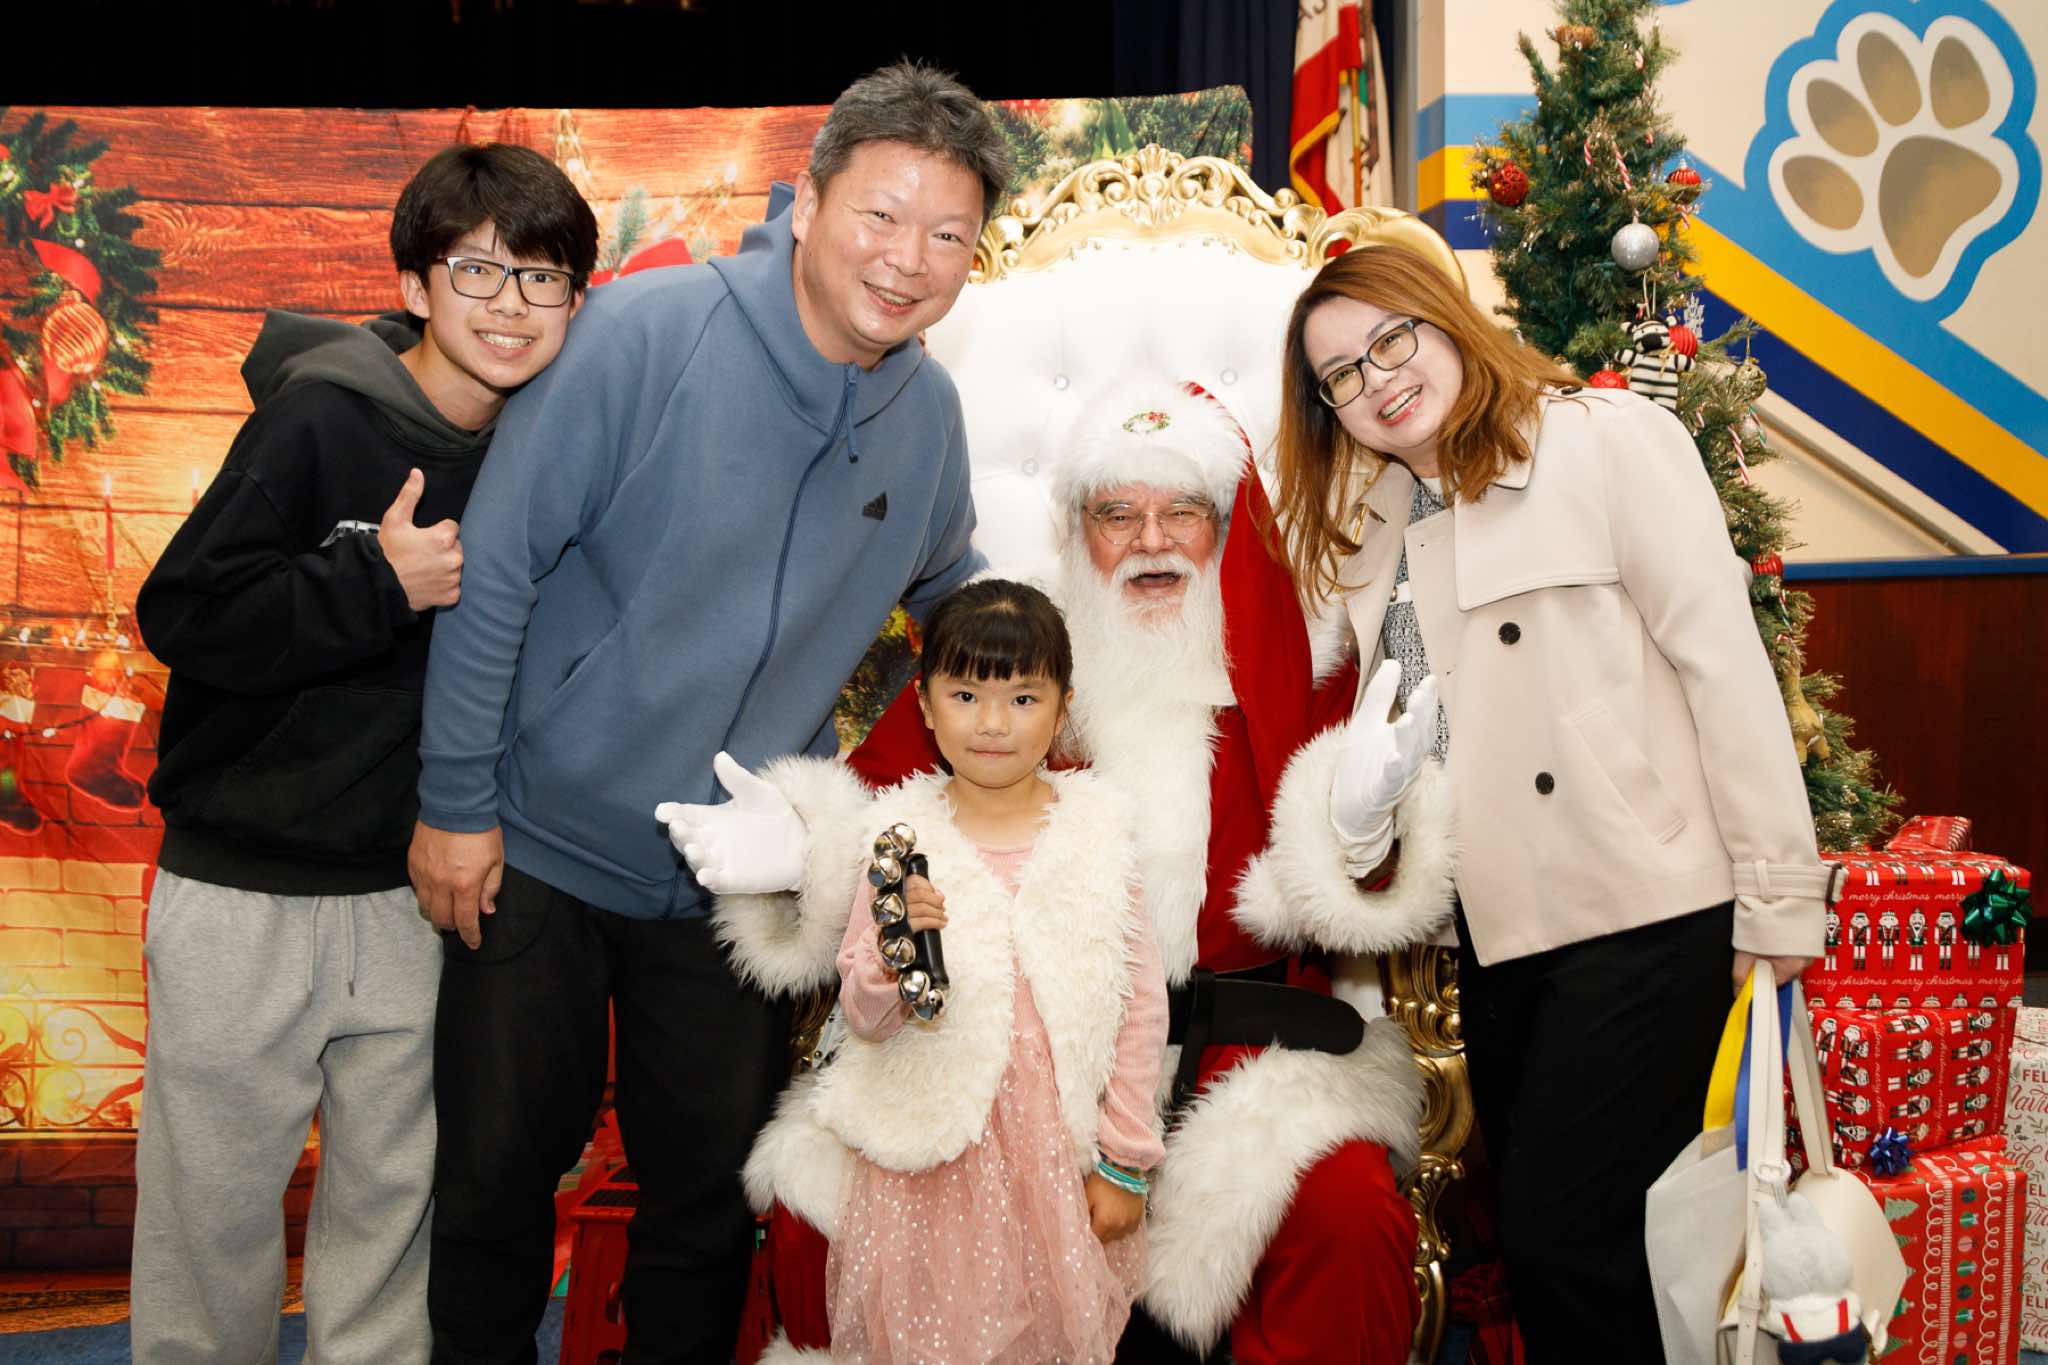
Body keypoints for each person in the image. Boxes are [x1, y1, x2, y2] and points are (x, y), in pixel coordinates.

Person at [406, 62, 1010, 1363]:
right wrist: (453, 803)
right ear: (810, 203)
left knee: (708, 1201)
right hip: (539, 845)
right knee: (495, 1184)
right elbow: (496, 565)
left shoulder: (930, 417)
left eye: (947, 235)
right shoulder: (645, 333)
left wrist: (1042, 701)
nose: (907, 260)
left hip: (738, 883)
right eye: (881, 215)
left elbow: (955, 599)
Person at [674, 382, 1454, 1364]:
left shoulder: (1305, 661)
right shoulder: (1013, 673)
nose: (1151, 542)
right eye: (1116, 514)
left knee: (1345, 1213)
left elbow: (1369, 887)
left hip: (1250, 1052)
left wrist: (1359, 828)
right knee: (820, 1205)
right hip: (1012, 1043)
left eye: (1181, 511)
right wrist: (795, 852)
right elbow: (879, 811)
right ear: (1077, 530)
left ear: (1223, 524)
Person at [1271, 244, 1832, 1359]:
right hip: (1500, 935)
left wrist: (1776, 902)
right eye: (1341, 375)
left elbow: (1726, 671)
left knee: (1563, 1239)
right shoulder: (1374, 529)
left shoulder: (1604, 442)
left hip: (1644, 908)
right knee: (1572, 1258)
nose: (1378, 379)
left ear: (1445, 320)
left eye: (1392, 339)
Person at [130, 144, 597, 1363]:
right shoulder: (319, 417)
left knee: (392, 1219)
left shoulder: (549, 447)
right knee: (209, 1219)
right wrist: (369, 581)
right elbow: (184, 612)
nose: (509, 304)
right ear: (414, 284)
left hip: (413, 896)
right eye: (477, 270)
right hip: (243, 889)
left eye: (542, 277)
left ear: (575, 300)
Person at [810, 578, 1168, 1363]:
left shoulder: (1100, 833)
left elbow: (1141, 1006)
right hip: (930, 1164)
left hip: (1057, 1156)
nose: (994, 723)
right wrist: (896, 955)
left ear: (1062, 708)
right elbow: (862, 1013)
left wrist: (1125, 1160)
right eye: (966, 695)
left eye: (1023, 698)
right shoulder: (899, 838)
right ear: (925, 705)